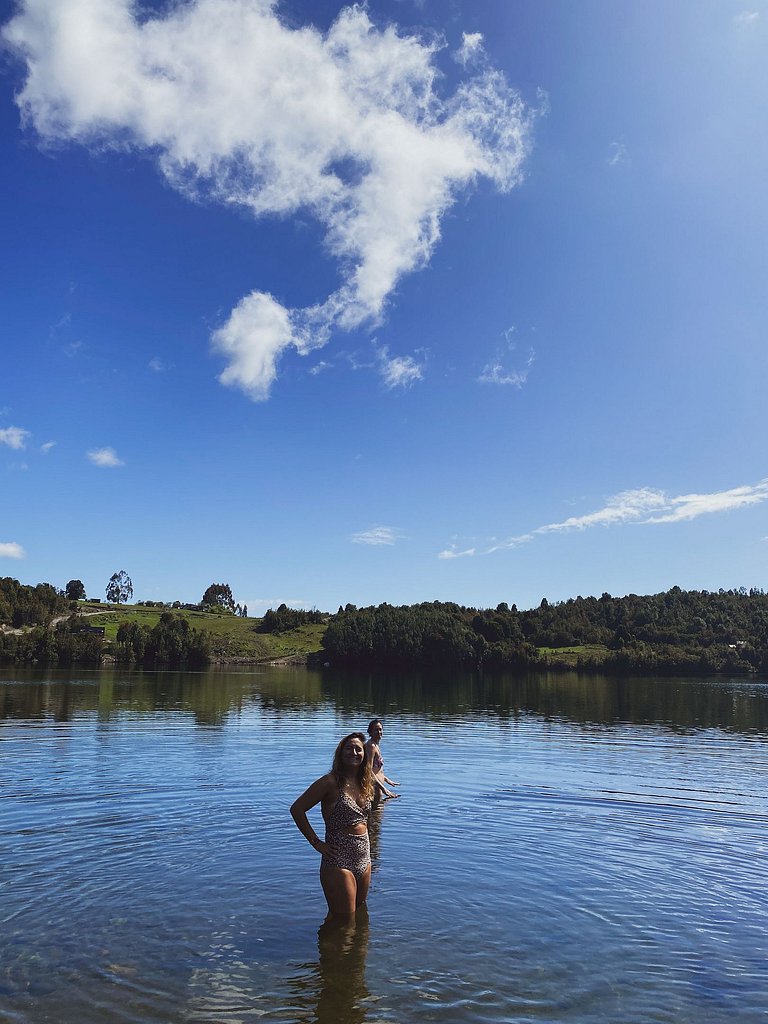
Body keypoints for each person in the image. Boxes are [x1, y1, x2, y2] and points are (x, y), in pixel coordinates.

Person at [290, 732, 375, 920]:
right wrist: (316, 843)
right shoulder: (330, 782)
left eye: (358, 749)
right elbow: (297, 809)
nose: (354, 752)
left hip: (364, 857)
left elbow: (363, 820)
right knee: (344, 922)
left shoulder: (364, 783)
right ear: (340, 753)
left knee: (361, 915)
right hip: (338, 860)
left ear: (364, 754)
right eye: (349, 748)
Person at [365, 719, 400, 801]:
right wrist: (384, 789)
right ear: (370, 732)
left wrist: (387, 780)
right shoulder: (371, 746)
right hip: (374, 786)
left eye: (380, 729)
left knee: (379, 807)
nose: (379, 732)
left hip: (379, 785)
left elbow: (377, 769)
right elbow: (368, 769)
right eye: (376, 730)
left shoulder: (376, 745)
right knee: (376, 808)